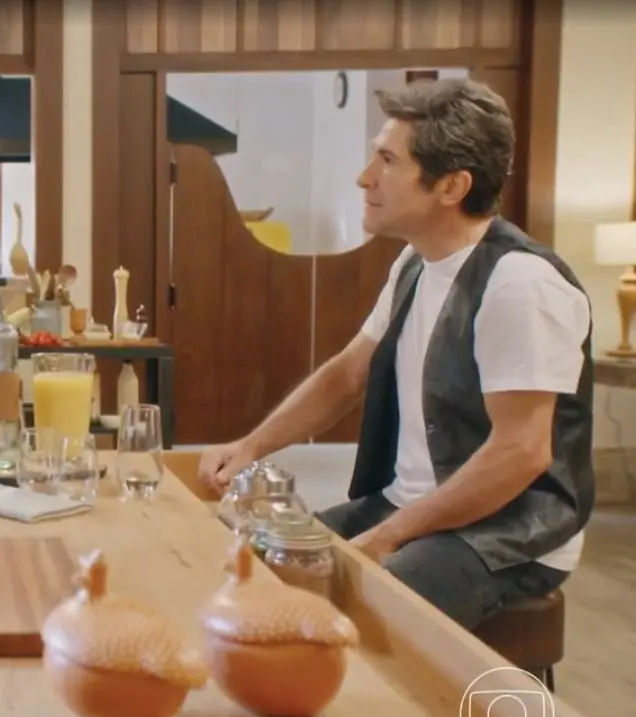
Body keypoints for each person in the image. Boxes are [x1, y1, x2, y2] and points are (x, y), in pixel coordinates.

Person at [198, 77, 594, 631]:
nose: (364, 177)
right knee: (261, 568)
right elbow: (346, 375)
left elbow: (521, 452)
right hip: (407, 506)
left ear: (451, 186)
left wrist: (389, 536)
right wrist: (250, 447)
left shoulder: (520, 284)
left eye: (387, 161)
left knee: (348, 620)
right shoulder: (414, 262)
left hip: (506, 531)